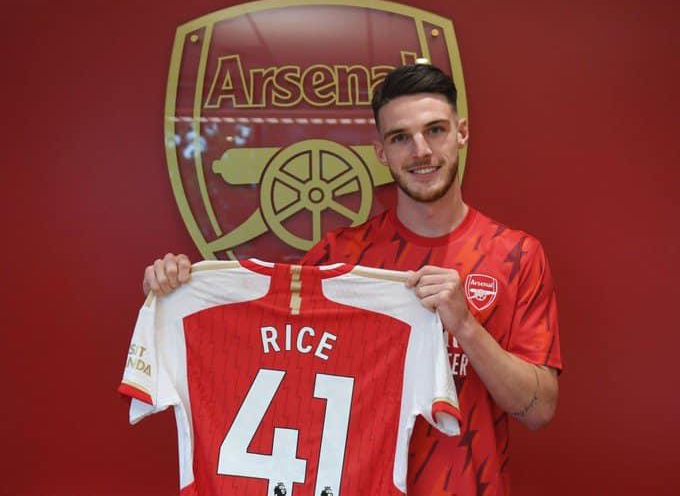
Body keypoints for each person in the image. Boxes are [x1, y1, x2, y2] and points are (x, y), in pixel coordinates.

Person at [142, 64, 562, 495]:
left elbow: (539, 409)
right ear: (381, 152)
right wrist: (176, 292)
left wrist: (466, 327)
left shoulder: (516, 255)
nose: (421, 150)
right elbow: (259, 352)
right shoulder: (337, 256)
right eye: (400, 138)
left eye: (435, 130)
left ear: (462, 132)